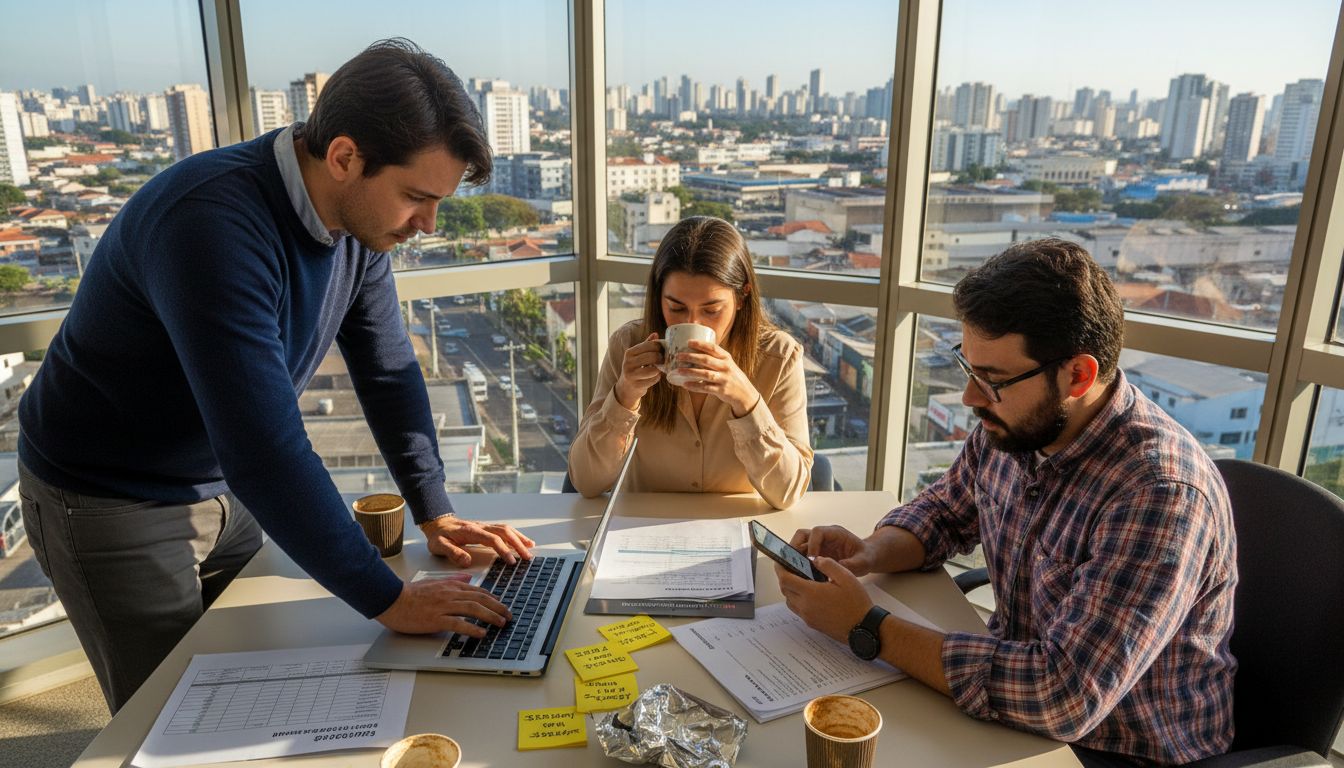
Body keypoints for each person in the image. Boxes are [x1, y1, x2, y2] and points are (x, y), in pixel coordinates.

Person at [17, 39, 535, 713]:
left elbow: (389, 369)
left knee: (256, 682)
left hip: (223, 485)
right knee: (168, 718)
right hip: (109, 494)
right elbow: (265, 449)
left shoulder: (359, 227)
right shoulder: (210, 224)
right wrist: (390, 600)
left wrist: (435, 508)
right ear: (345, 156)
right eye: (415, 197)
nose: (427, 225)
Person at [776, 239, 1237, 767]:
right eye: (968, 369)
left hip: (1118, 749)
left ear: (1078, 376)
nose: (971, 397)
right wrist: (870, 551)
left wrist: (866, 627)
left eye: (992, 380)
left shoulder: (1159, 495)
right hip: (1014, 713)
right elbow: (945, 513)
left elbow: (1062, 694)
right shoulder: (1019, 424)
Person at [568, 216, 813, 509]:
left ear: (742, 296)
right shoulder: (628, 345)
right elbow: (586, 481)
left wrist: (746, 400)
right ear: (659, 297)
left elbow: (788, 493)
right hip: (641, 534)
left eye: (711, 310)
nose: (692, 322)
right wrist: (625, 396)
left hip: (735, 533)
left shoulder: (779, 357)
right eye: (676, 307)